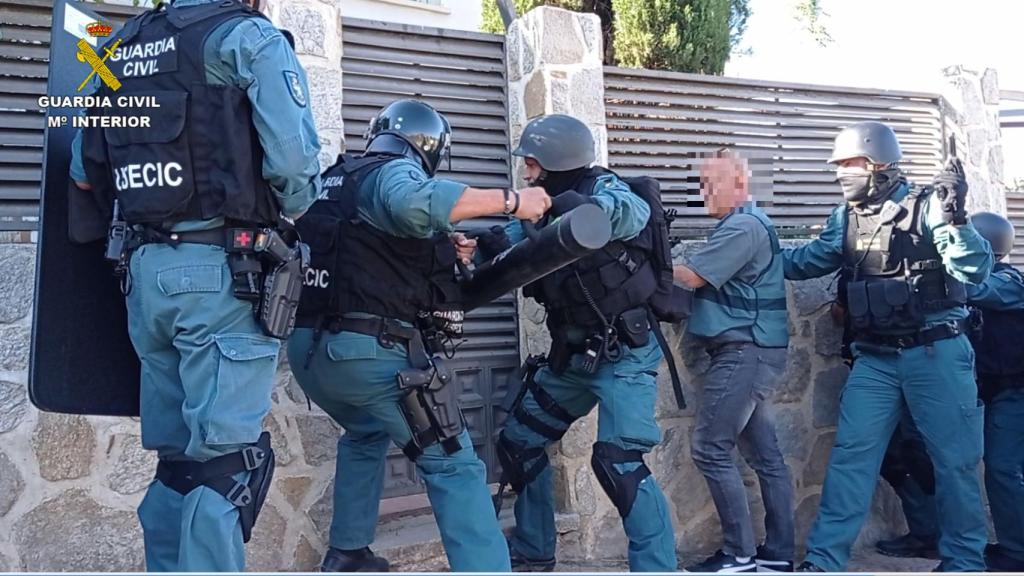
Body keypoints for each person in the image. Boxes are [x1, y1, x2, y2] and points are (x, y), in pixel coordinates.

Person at [69, 0, 321, 571]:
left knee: (179, 460)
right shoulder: (244, 37)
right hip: (218, 274)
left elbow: (85, 171)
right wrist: (291, 218)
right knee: (227, 464)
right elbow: (294, 160)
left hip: (143, 276)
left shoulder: (120, 45)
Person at [288, 99, 551, 572]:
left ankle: (348, 553)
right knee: (454, 464)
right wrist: (514, 201)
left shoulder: (337, 177)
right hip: (368, 353)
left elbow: (366, 251)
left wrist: (441, 248)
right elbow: (414, 203)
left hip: (312, 354)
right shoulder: (393, 173)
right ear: (429, 147)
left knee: (366, 431)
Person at [783, 121, 991, 573]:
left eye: (848, 164)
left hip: (935, 352)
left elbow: (974, 271)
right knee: (851, 459)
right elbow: (807, 261)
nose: (840, 173)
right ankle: (823, 560)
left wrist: (957, 218)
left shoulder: (929, 205)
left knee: (954, 463)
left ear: (878, 162)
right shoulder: (847, 216)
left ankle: (964, 562)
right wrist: (753, 248)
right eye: (836, 166)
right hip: (875, 360)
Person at [490, 114, 678, 572]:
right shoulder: (542, 206)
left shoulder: (606, 189)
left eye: (532, 164)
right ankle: (534, 550)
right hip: (573, 357)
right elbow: (508, 239)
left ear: (555, 162)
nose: (526, 172)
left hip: (624, 353)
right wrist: (472, 245)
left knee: (619, 462)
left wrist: (574, 208)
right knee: (519, 441)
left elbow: (628, 213)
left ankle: (658, 567)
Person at [672, 151, 794, 573]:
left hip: (744, 351)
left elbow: (690, 277)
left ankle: (738, 556)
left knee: (710, 448)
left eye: (712, 182)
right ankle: (777, 555)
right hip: (751, 350)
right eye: (701, 182)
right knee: (764, 455)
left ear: (740, 183)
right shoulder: (744, 223)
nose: (704, 191)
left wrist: (645, 263)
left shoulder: (743, 225)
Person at [963, 211, 1024, 573]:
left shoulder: (1009, 282)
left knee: (1003, 468)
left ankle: (1017, 551)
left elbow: (978, 290)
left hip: (1014, 392)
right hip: (996, 391)